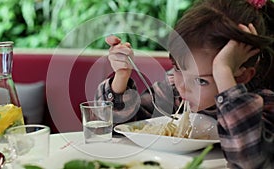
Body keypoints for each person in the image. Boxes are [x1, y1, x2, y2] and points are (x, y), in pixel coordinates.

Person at [95, 0, 274, 168]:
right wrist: (122, 76)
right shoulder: (174, 93)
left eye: (201, 80)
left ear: (241, 76)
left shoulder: (264, 104)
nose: (183, 86)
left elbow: (251, 161)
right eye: (178, 68)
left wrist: (223, 72)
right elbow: (119, 125)